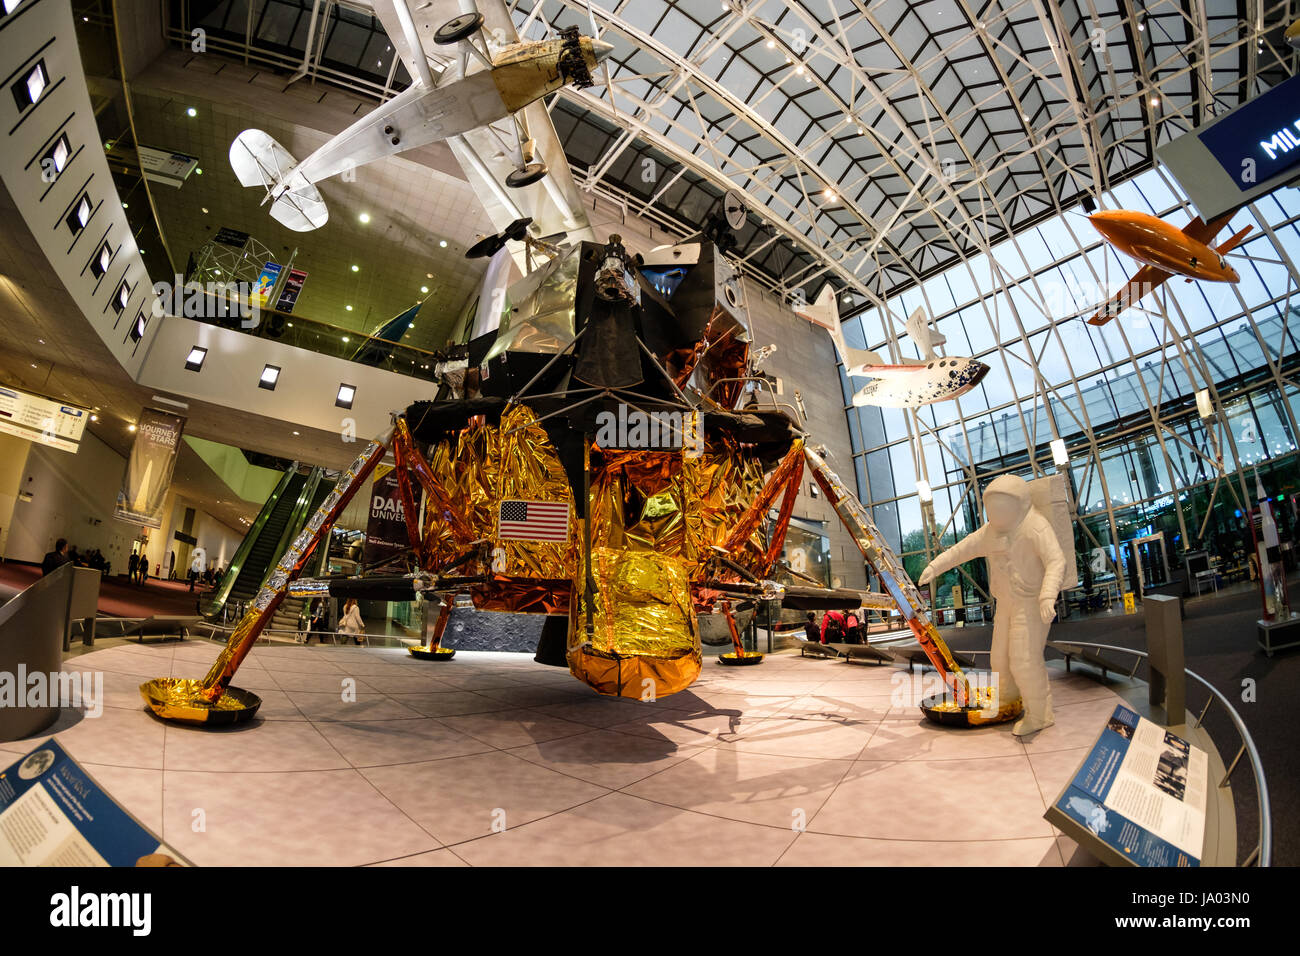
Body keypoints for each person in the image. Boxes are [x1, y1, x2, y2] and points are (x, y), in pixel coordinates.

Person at [919, 473, 1065, 736]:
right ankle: (1008, 699)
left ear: (1019, 504)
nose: (994, 514)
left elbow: (1056, 561)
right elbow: (963, 549)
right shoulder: (991, 532)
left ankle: (1041, 714)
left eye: (1001, 507)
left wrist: (1047, 595)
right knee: (999, 658)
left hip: (1030, 602)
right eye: (990, 508)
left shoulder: (1035, 527)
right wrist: (934, 566)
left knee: (1024, 659)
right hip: (1007, 603)